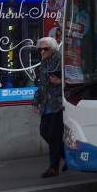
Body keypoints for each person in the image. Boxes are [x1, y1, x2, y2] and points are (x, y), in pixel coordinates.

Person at [32, 36, 65, 178]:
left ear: (52, 49)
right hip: (46, 104)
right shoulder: (43, 63)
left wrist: (60, 81)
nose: (42, 51)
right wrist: (35, 101)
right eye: (40, 49)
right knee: (44, 132)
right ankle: (67, 156)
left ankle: (53, 168)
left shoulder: (61, 60)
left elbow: (73, 78)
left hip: (58, 104)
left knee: (54, 134)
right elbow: (42, 84)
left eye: (44, 49)